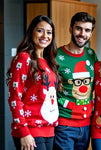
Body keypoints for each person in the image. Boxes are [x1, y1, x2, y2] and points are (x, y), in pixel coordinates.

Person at [6, 15, 62, 150]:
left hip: (49, 130)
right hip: (30, 130)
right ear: (31, 32)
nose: (45, 35)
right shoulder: (24, 58)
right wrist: (24, 132)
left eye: (49, 32)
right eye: (40, 30)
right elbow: (14, 97)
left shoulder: (49, 62)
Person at [53, 12, 98, 150]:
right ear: (70, 29)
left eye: (87, 30)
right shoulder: (56, 55)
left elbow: (95, 84)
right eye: (78, 28)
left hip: (86, 124)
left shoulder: (91, 54)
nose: (82, 33)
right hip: (64, 125)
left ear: (91, 33)